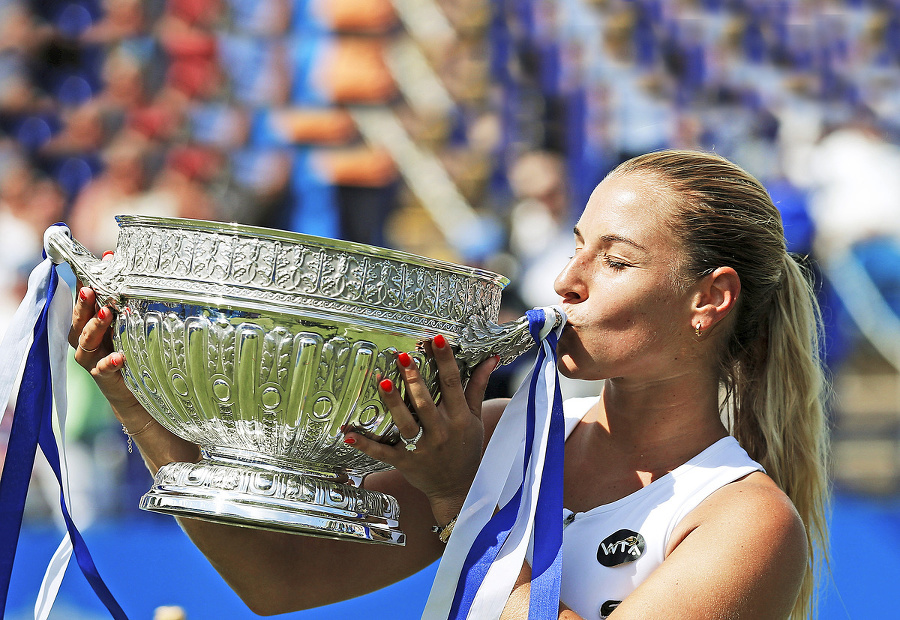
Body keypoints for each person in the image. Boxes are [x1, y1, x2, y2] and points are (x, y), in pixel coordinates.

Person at [70, 149, 829, 619]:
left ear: (710, 299)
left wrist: (461, 503)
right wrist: (147, 413)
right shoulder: (506, 437)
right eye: (575, 247)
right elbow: (280, 584)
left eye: (617, 261)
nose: (566, 282)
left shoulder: (749, 523)